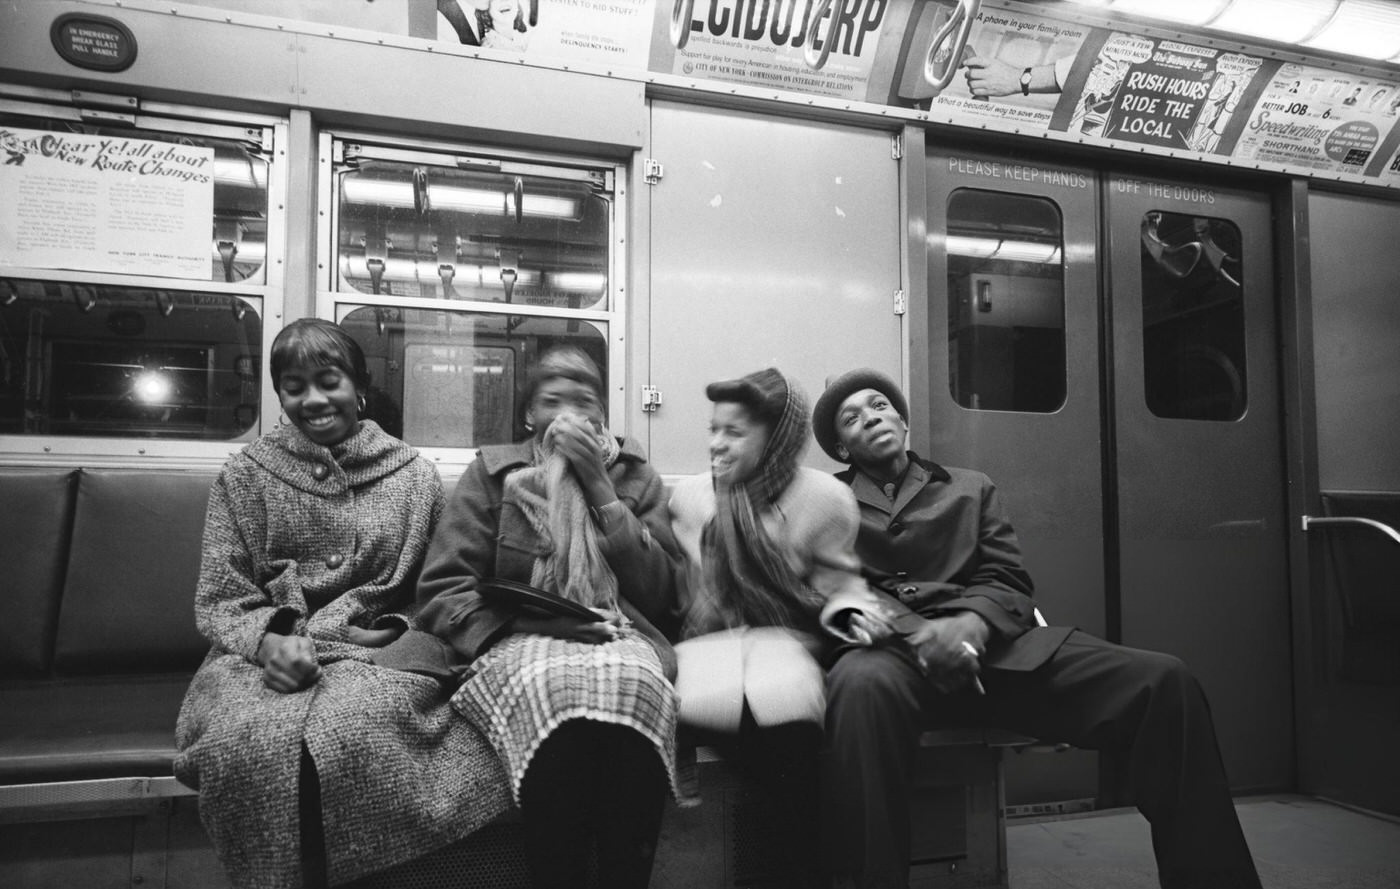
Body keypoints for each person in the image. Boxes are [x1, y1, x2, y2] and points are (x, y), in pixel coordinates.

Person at [811, 367, 1264, 889]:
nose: (871, 416)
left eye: (880, 405)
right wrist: (914, 631)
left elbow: (1006, 578)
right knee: (858, 688)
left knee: (1165, 683)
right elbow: (828, 586)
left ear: (903, 420)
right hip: (889, 660)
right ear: (842, 450)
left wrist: (970, 626)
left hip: (995, 655)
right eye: (852, 417)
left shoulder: (970, 487)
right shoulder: (825, 504)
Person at [174, 319, 510, 889]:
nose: (312, 400)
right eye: (294, 386)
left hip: (380, 654)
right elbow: (222, 596)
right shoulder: (244, 476)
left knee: (353, 731)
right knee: (247, 742)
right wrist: (269, 639)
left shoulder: (414, 476)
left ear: (359, 387)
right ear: (279, 395)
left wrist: (391, 631)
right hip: (255, 656)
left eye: (327, 381)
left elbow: (434, 589)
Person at [401, 345, 683, 889]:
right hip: (514, 635)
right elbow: (442, 590)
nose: (570, 412)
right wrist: (541, 625)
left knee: (637, 690)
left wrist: (599, 486)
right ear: (530, 415)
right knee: (556, 700)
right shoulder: (492, 474)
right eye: (553, 400)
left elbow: (662, 595)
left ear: (603, 414)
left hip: (617, 632)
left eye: (585, 400)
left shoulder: (636, 477)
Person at [668, 367, 869, 889]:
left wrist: (849, 615)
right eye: (713, 429)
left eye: (734, 433)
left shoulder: (823, 500)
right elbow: (686, 595)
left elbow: (840, 585)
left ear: (777, 438)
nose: (716, 444)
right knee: (771, 749)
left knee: (787, 739)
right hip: (710, 653)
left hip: (790, 645)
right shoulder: (691, 499)